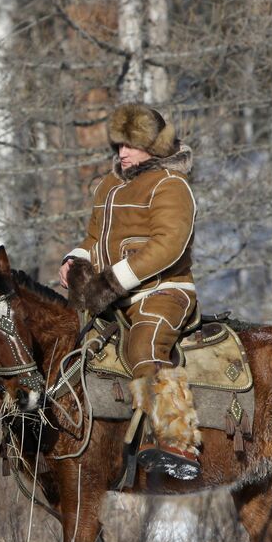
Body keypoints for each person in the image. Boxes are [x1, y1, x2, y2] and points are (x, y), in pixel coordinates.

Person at [59, 103, 201, 480]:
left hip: (164, 291)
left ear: (155, 146)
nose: (122, 153)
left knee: (144, 344)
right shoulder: (109, 185)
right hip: (111, 296)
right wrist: (74, 259)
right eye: (119, 145)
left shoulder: (172, 184)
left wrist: (110, 281)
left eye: (131, 145)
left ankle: (175, 440)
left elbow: (168, 244)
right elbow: (94, 238)